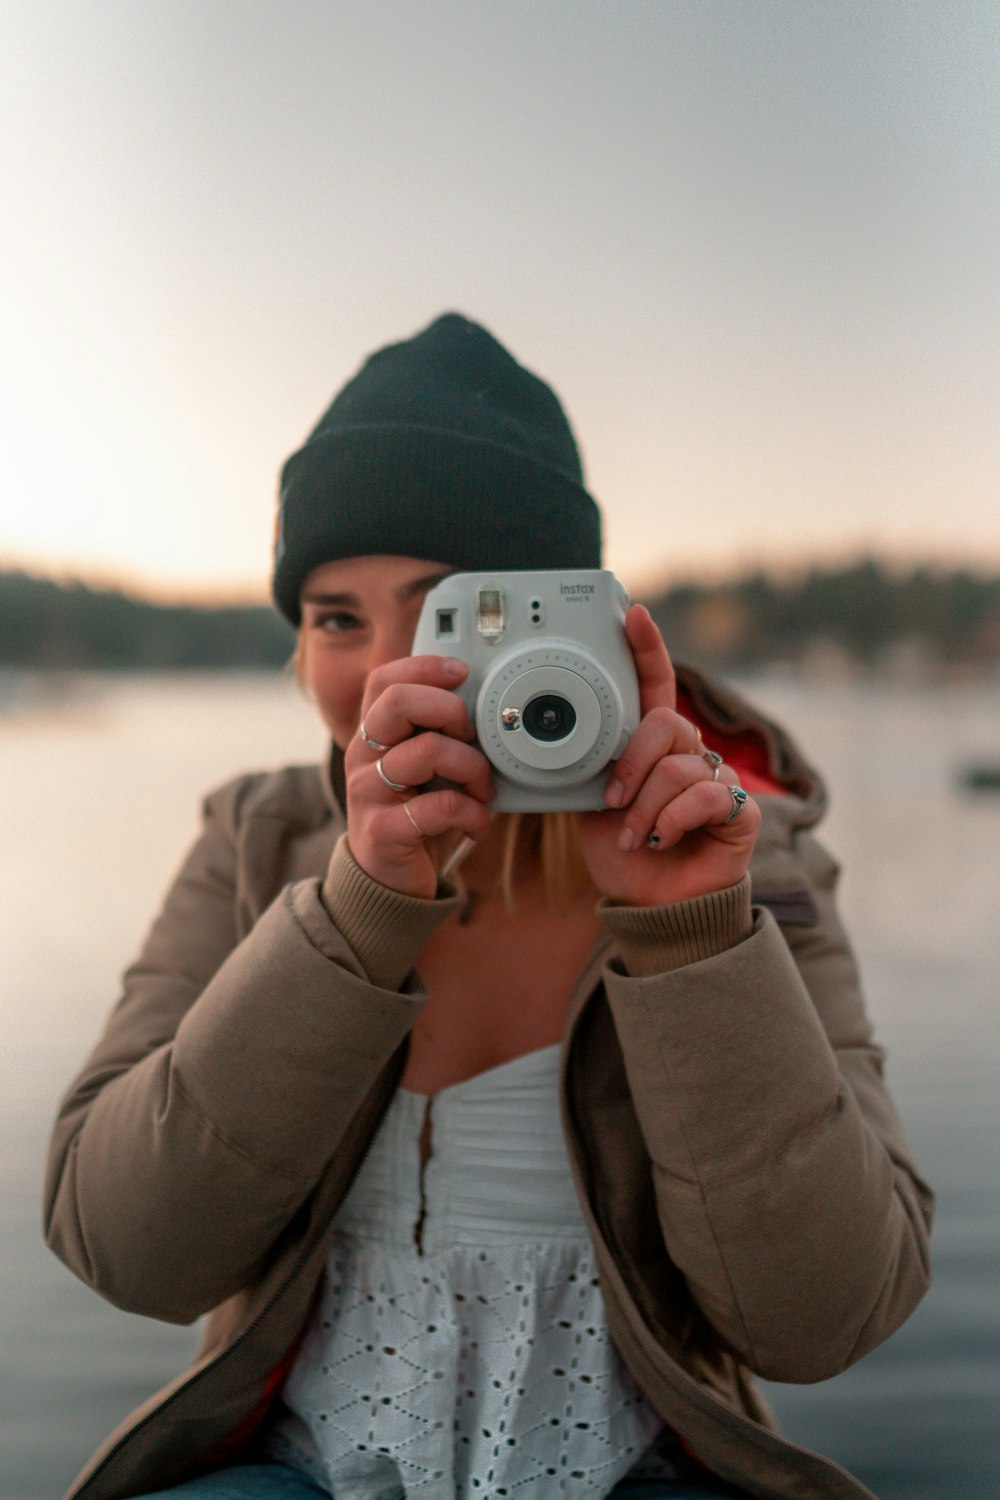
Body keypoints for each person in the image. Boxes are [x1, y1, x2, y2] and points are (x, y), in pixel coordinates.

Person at [44, 313, 932, 1500]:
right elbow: (128, 1249)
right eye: (333, 618)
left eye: (448, 611)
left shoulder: (745, 861)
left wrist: (690, 941)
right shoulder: (252, 839)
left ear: (570, 626)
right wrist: (353, 915)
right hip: (299, 1464)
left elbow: (822, 1320)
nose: (383, 674)